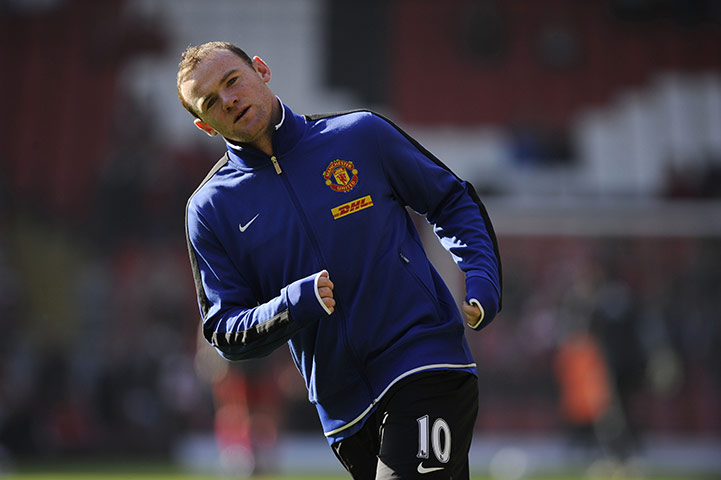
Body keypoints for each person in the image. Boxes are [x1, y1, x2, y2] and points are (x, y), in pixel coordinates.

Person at [177, 41, 502, 479]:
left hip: (425, 362)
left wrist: (481, 276)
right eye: (212, 101)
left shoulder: (360, 135)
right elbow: (224, 328)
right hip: (344, 414)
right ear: (205, 125)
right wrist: (292, 305)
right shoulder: (209, 210)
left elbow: (451, 200)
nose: (229, 100)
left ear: (261, 70)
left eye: (232, 81)